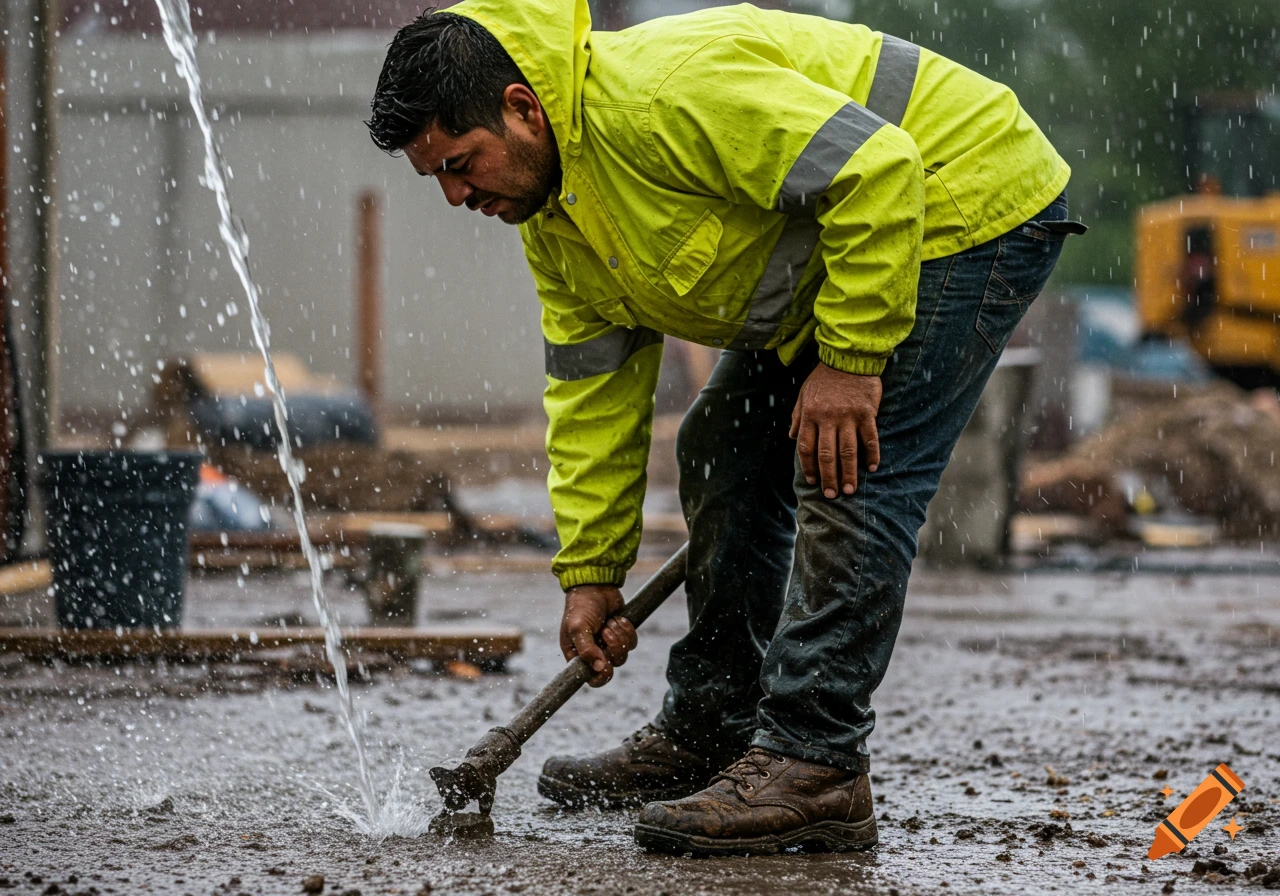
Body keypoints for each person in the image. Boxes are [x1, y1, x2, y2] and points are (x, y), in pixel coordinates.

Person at [368, 0, 1084, 856]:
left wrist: (852, 363)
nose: (455, 196)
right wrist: (591, 572)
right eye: (435, 179)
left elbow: (879, 167)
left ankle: (815, 762)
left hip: (961, 196)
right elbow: (595, 398)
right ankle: (712, 732)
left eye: (460, 162)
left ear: (522, 108)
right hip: (852, 244)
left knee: (848, 467)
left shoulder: (662, 100)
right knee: (722, 448)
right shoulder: (554, 218)